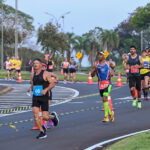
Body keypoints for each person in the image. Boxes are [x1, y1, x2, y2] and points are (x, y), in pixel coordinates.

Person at [28, 58, 59, 139]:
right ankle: (42, 132)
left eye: (37, 63)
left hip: (44, 97)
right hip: (35, 97)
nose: (35, 64)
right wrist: (30, 88)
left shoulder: (45, 74)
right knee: (36, 114)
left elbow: (52, 84)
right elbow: (32, 84)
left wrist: (46, 90)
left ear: (41, 65)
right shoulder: (33, 74)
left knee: (45, 117)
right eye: (34, 63)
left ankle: (53, 117)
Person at [91, 51, 115, 123]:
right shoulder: (96, 65)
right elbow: (92, 75)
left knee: (105, 98)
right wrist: (95, 69)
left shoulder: (108, 63)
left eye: (101, 55)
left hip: (108, 83)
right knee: (104, 101)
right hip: (100, 84)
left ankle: (106, 117)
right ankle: (111, 113)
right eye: (98, 55)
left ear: (104, 56)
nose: (99, 56)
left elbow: (113, 68)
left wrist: (112, 71)